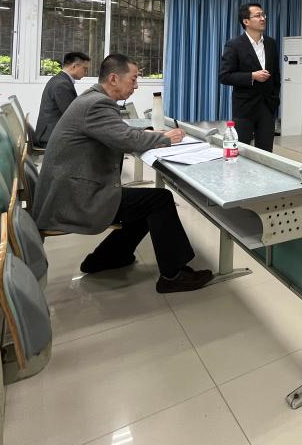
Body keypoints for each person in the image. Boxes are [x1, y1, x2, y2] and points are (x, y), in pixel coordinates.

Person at [32, 53, 212, 293]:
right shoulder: (97, 104)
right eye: (134, 79)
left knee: (144, 202)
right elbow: (127, 140)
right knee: (159, 200)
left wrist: (150, 135)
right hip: (74, 198)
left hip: (68, 190)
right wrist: (164, 138)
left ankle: (107, 257)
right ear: (114, 79)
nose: (136, 86)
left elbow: (118, 132)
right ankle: (173, 275)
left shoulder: (92, 98)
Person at [218, 3, 281, 152]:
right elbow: (224, 76)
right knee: (241, 150)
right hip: (244, 108)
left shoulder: (271, 43)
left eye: (263, 15)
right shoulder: (234, 45)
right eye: (258, 15)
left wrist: (275, 99)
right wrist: (252, 76)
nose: (263, 18)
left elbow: (276, 76)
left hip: (267, 107)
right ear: (246, 21)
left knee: (265, 152)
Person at [33, 51, 90, 147]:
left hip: (52, 133)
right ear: (74, 66)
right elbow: (72, 115)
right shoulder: (62, 84)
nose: (86, 72)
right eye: (85, 69)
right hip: (50, 138)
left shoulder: (60, 80)